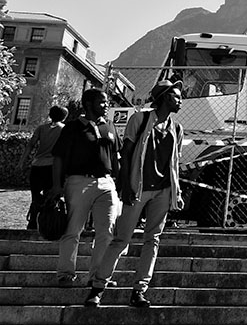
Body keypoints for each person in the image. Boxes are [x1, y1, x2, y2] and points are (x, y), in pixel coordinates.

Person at [86, 80, 185, 308]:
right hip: (138, 188)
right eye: (176, 96)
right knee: (121, 239)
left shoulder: (176, 128)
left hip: (163, 191)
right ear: (165, 98)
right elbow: (126, 154)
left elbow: (175, 163)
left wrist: (176, 192)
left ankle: (139, 290)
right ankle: (98, 288)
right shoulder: (139, 120)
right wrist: (126, 187)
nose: (180, 101)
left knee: (153, 240)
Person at [49, 89, 121, 287]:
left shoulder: (110, 127)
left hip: (107, 183)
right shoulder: (72, 128)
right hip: (78, 181)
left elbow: (116, 157)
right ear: (88, 104)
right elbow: (58, 157)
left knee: (106, 231)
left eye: (107, 102)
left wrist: (119, 183)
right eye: (102, 102)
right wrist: (57, 185)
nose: (106, 105)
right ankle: (65, 273)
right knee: (72, 230)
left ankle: (98, 277)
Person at [18, 105, 69, 230]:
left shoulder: (41, 128)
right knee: (52, 196)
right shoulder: (64, 129)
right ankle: (49, 223)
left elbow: (30, 145)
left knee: (36, 196)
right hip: (54, 167)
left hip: (37, 166)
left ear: (50, 115)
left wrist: (21, 162)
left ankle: (32, 223)